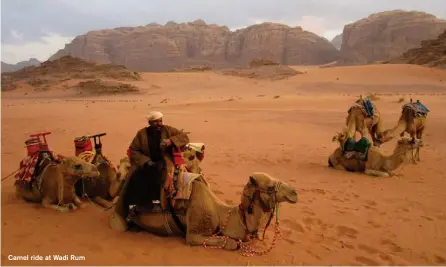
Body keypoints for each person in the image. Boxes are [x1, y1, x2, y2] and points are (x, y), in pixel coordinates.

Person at [113, 111, 190, 222]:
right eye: (156, 122)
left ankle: (159, 204)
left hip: (164, 161)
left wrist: (171, 141)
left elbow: (184, 137)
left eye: (160, 121)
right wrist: (145, 161)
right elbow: (133, 150)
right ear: (150, 122)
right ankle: (134, 206)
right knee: (135, 178)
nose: (159, 124)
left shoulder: (168, 130)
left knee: (161, 175)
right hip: (146, 162)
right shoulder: (142, 134)